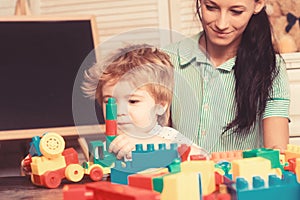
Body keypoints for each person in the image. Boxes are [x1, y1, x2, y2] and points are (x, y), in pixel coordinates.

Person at [163, 0, 290, 153]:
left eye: (236, 11)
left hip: (243, 176)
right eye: (211, 8)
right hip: (183, 176)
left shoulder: (271, 67)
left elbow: (276, 153)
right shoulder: (166, 60)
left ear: (258, 4)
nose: (221, 24)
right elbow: (157, 139)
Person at [82, 44, 204, 159]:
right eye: (109, 102)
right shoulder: (109, 145)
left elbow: (203, 156)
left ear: (160, 106)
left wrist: (148, 143)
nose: (119, 112)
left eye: (133, 101)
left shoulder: (167, 137)